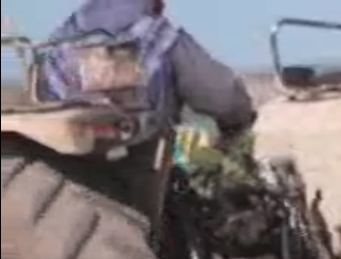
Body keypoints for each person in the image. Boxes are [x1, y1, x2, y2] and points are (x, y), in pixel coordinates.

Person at [41, 0, 256, 216]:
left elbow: (43, 96)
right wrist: (239, 120)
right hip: (139, 158)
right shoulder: (157, 34)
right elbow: (221, 95)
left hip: (61, 164)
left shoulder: (60, 38)